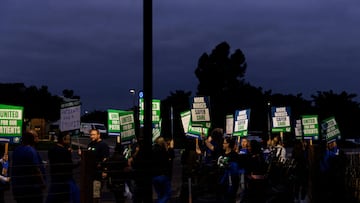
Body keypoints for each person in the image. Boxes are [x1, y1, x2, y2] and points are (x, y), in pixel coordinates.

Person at [11, 130, 46, 203]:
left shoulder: (17, 150)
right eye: (36, 137)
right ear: (31, 138)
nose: (38, 139)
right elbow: (36, 170)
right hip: (32, 190)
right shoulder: (31, 151)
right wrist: (42, 184)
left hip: (18, 189)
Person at [46, 132, 80, 203]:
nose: (69, 141)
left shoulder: (52, 149)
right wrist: (79, 162)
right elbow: (69, 165)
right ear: (63, 139)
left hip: (55, 177)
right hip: (65, 179)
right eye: (68, 139)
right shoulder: (65, 152)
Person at [151, 136, 175, 203]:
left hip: (154, 176)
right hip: (162, 175)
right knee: (167, 194)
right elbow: (171, 156)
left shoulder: (152, 150)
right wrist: (171, 148)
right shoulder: (162, 151)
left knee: (160, 194)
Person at [217, 136, 240, 203]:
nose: (223, 144)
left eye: (224, 143)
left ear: (228, 144)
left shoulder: (234, 155)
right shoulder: (221, 153)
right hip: (220, 180)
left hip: (229, 182)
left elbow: (235, 170)